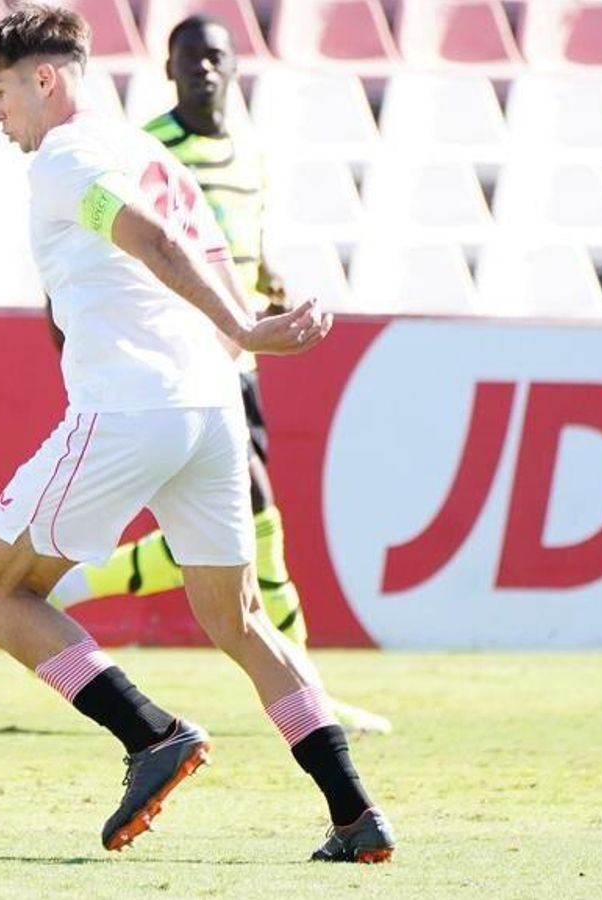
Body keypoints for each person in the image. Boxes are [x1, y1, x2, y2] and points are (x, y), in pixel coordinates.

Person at [0, 5, 395, 862]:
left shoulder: (65, 157)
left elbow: (150, 239)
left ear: (45, 79)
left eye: (1, 91)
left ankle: (150, 734)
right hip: (210, 406)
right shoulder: (147, 149)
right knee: (238, 618)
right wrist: (242, 336)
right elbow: (208, 249)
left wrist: (244, 324)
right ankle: (356, 814)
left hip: (132, 405)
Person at [46, 15, 392, 736]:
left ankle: (88, 581)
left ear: (235, 68)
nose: (203, 70)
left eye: (215, 57)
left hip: (242, 353)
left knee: (249, 527)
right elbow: (133, 243)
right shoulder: (144, 148)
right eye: (189, 58)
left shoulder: (250, 158)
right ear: (168, 70)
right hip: (181, 357)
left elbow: (244, 248)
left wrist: (273, 287)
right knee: (257, 515)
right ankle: (309, 691)